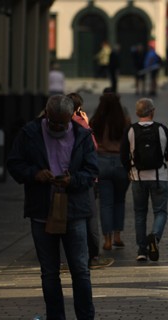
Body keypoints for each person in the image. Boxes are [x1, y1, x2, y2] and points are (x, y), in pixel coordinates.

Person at [6, 95, 99, 320]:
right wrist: (34, 174)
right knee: (49, 271)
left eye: (63, 123)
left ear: (71, 117)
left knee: (80, 269)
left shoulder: (82, 135)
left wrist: (73, 179)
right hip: (42, 209)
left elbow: (92, 171)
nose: (58, 128)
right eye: (54, 123)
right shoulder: (30, 133)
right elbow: (15, 164)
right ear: (46, 114)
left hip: (74, 210)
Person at [120, 98, 168, 262]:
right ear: (152, 111)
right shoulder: (161, 129)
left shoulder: (130, 130)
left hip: (138, 178)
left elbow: (123, 156)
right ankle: (155, 236)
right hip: (159, 177)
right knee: (161, 211)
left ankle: (141, 250)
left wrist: (129, 170)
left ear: (137, 113)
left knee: (140, 214)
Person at [67, 92, 115, 269]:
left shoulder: (58, 123)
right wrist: (86, 125)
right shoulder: (81, 125)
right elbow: (92, 146)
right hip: (85, 177)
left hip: (64, 177)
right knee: (89, 217)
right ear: (79, 108)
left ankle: (70, 255)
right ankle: (92, 255)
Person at [89, 92, 131, 251]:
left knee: (105, 203)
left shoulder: (96, 122)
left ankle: (107, 239)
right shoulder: (124, 121)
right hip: (120, 162)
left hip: (102, 162)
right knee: (119, 201)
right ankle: (117, 236)